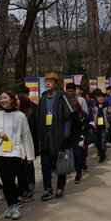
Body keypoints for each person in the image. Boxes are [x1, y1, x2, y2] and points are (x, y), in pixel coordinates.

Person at [0, 91, 35, 220]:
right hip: (0, 151)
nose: (2, 100)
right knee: (5, 180)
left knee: (9, 178)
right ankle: (11, 206)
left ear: (12, 100)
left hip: (16, 151)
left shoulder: (20, 116)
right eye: (1, 98)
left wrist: (29, 155)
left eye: (5, 98)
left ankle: (17, 204)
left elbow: (26, 136)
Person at [36, 72, 76, 200]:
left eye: (50, 81)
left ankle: (60, 187)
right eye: (46, 81)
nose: (47, 83)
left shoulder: (62, 97)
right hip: (46, 137)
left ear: (56, 83)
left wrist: (65, 135)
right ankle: (47, 189)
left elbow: (69, 117)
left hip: (59, 136)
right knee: (45, 164)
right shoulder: (42, 99)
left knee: (60, 162)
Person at [16, 85, 39, 193]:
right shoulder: (14, 109)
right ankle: (22, 183)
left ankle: (31, 182)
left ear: (28, 94)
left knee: (29, 162)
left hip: (30, 139)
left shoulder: (33, 108)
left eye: (23, 94)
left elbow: (36, 126)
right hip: (16, 141)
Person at [91, 91, 111, 163]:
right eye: (99, 97)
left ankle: (102, 156)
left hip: (104, 127)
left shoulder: (107, 107)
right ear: (96, 98)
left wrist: (109, 113)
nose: (101, 99)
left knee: (103, 142)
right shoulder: (94, 107)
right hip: (96, 128)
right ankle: (101, 152)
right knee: (96, 142)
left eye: (102, 97)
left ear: (105, 98)